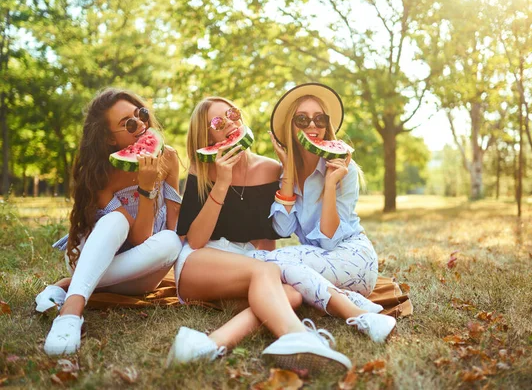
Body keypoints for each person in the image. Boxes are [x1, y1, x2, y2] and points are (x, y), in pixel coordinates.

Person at [167, 97, 352, 375]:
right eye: (218, 122)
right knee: (266, 273)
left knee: (290, 295)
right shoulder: (201, 169)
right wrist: (222, 183)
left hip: (249, 265)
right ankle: (298, 337)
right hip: (199, 263)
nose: (230, 122)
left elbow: (267, 242)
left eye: (232, 113)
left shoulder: (269, 170)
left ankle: (206, 345)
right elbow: (194, 241)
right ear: (207, 136)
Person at [36, 88, 182, 355]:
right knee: (116, 220)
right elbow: (135, 236)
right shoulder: (101, 172)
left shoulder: (169, 157)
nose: (141, 126)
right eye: (128, 123)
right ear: (108, 140)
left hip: (143, 267)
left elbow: (169, 226)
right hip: (90, 252)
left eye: (141, 115)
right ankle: (70, 312)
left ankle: (68, 285)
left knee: (172, 241)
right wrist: (146, 190)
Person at [266, 82, 396, 343]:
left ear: (327, 125)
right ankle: (359, 309)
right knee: (274, 268)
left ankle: (356, 311)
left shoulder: (343, 169)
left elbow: (328, 239)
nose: (312, 126)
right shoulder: (285, 173)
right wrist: (288, 173)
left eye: (319, 119)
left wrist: (329, 183)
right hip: (318, 266)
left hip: (352, 256)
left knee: (264, 261)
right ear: (290, 127)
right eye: (302, 119)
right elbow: (282, 228)